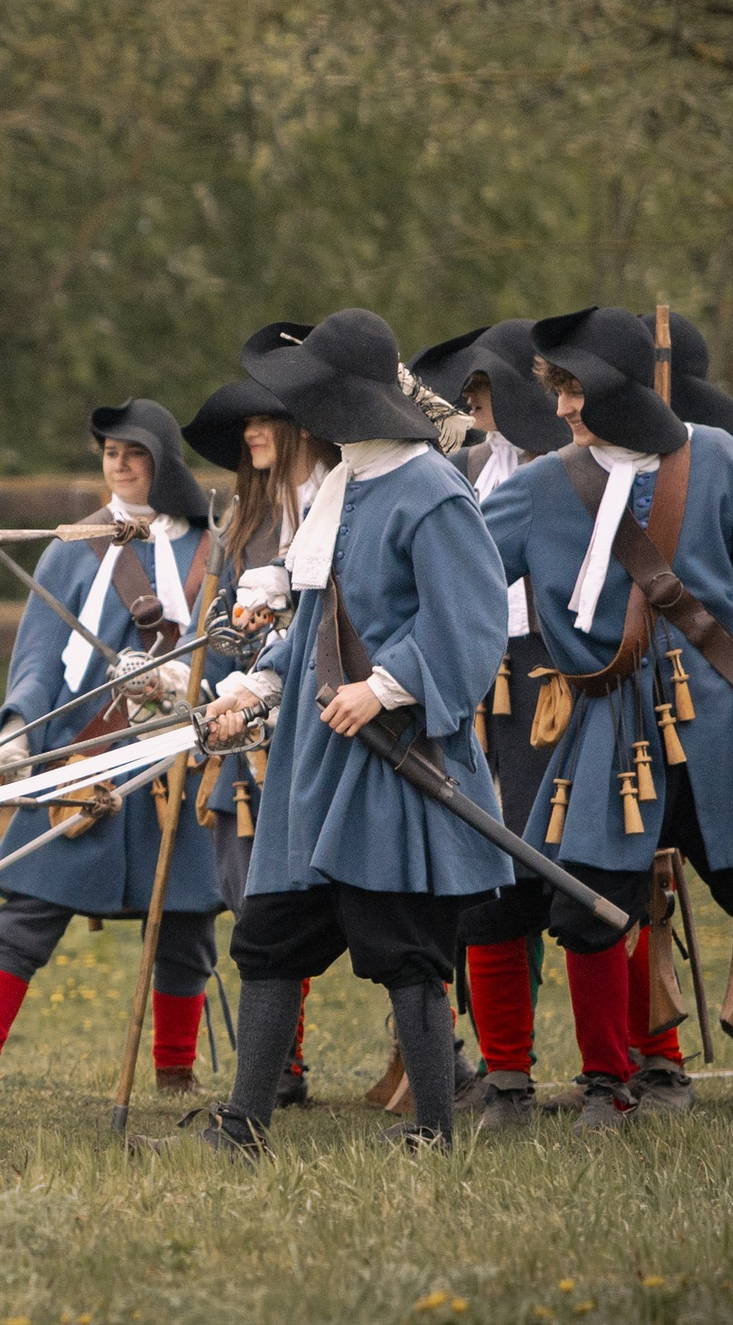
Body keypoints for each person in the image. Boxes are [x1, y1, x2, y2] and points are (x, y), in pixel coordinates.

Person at [197, 310, 511, 1154]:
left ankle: (434, 1132)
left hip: (391, 764)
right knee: (267, 938)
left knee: (404, 948)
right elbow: (317, 622)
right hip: (314, 757)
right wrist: (258, 686)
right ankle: (241, 1127)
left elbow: (471, 623)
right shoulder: (343, 484)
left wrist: (384, 686)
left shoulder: (430, 490)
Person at [477, 307, 733, 1130]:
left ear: (621, 388)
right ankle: (608, 1084)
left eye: (574, 390)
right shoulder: (540, 487)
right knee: (588, 904)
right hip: (607, 727)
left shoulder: (720, 460)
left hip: (718, 715)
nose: (559, 409)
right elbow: (453, 570)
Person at [0, 399, 221, 1102]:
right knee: (24, 916)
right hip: (80, 759)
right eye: (109, 453)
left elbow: (239, 652)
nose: (120, 464)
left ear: (162, 459)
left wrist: (189, 684)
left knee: (186, 925)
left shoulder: (216, 548)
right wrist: (13, 738)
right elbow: (37, 661)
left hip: (175, 768)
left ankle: (176, 1074)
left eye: (134, 452)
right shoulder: (72, 544)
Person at [408, 320, 571, 1128]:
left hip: (563, 679)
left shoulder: (571, 468)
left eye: (483, 390)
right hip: (483, 677)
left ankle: (640, 1066)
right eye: (469, 394)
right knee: (488, 871)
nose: (474, 405)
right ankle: (508, 1077)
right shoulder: (468, 467)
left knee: (588, 869)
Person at [180, 378, 336, 1107]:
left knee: (374, 903)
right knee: (256, 897)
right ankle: (283, 1066)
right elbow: (212, 625)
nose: (252, 432)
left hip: (331, 721)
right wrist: (186, 687)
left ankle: (434, 1062)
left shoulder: (341, 496)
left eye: (266, 418)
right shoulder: (244, 517)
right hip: (245, 726)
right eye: (246, 422)